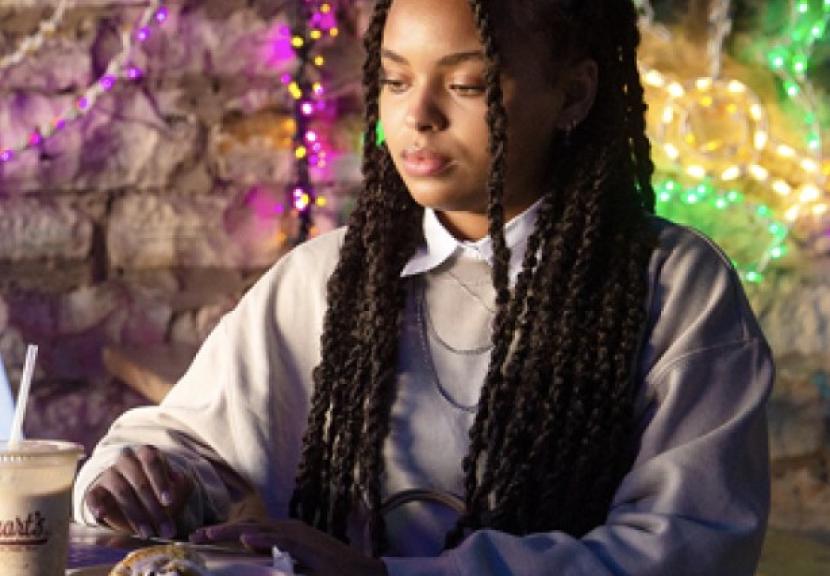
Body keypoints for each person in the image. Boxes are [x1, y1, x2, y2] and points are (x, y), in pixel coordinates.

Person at [73, 0, 774, 574]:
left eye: (466, 84)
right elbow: (184, 441)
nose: (418, 115)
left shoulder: (674, 288)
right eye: (395, 80)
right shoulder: (329, 280)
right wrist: (143, 481)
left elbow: (690, 550)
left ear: (575, 93)